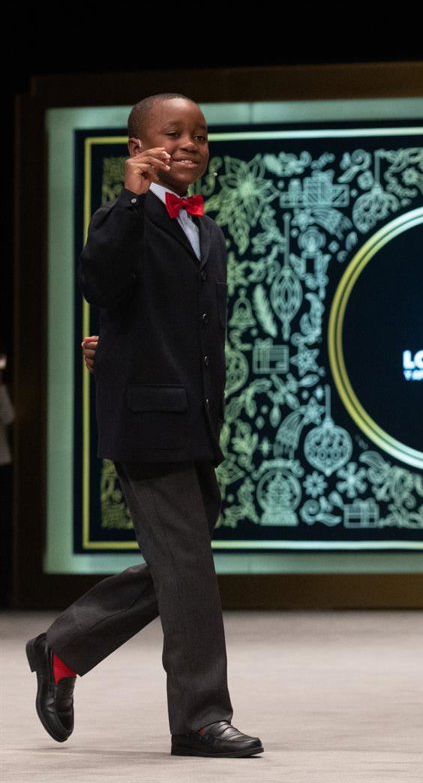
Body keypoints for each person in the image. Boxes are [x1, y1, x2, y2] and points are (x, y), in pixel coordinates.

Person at [28, 93, 262, 758]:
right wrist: (130, 201)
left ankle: (62, 649)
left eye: (200, 135)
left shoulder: (207, 232)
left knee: (177, 564)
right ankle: (199, 718)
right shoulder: (121, 217)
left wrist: (118, 348)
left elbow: (166, 324)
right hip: (148, 421)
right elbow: (101, 284)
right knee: (189, 570)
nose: (189, 144)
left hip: (195, 421)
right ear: (137, 150)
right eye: (172, 134)